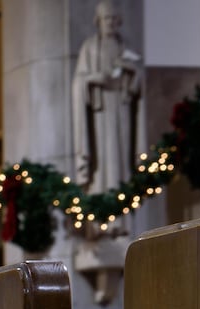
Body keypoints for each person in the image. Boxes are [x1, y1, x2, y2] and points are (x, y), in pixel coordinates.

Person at [71, 1, 143, 196]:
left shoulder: (125, 46)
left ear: (119, 21)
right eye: (106, 18)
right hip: (99, 110)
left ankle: (123, 195)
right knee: (102, 161)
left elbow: (140, 80)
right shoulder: (90, 47)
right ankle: (102, 199)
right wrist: (94, 78)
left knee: (121, 158)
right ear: (98, 21)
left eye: (113, 18)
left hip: (122, 105)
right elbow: (79, 81)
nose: (110, 22)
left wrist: (131, 70)